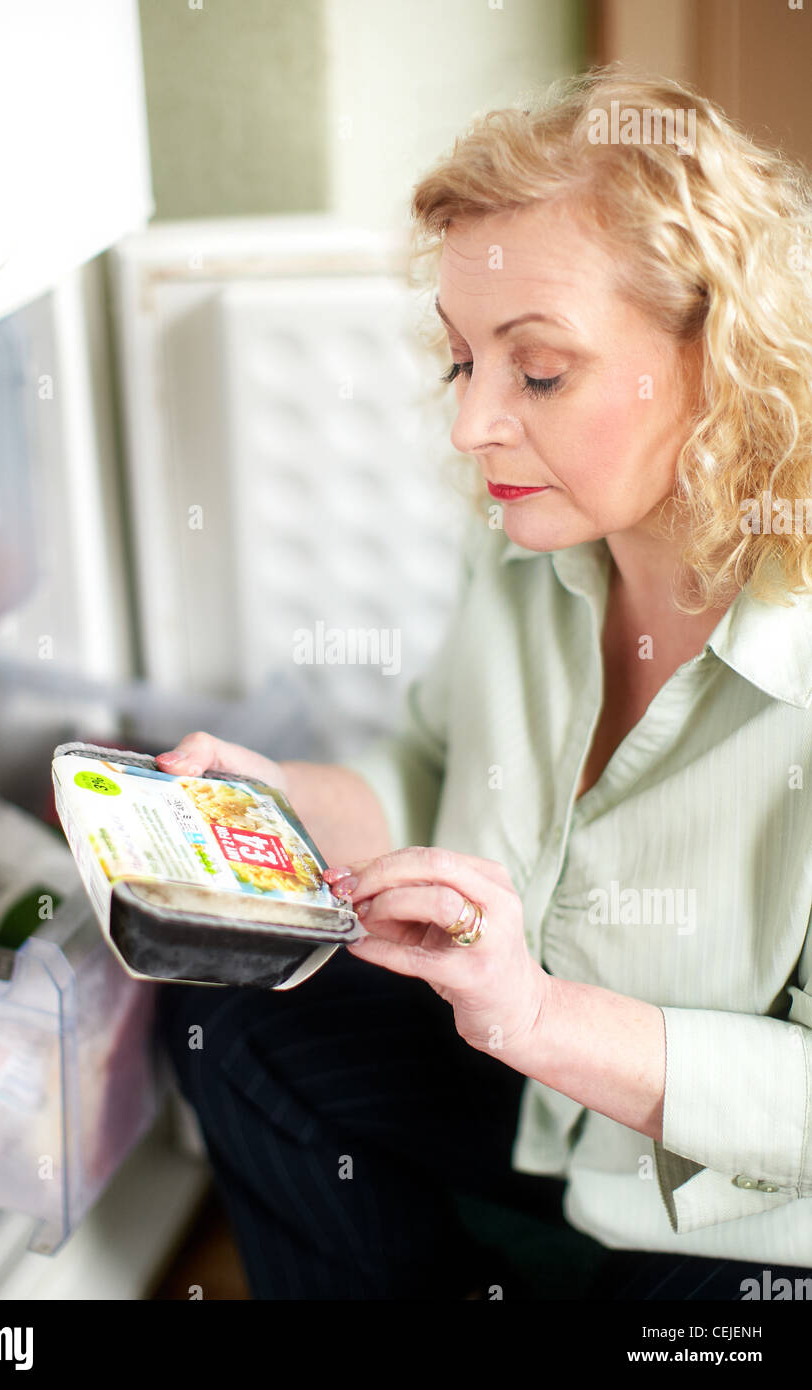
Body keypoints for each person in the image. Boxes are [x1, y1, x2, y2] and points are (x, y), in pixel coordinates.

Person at [155, 63, 812, 1299]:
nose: (472, 426)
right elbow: (435, 772)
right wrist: (277, 800)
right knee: (237, 1025)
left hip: (746, 1220)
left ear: (724, 360)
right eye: (464, 363)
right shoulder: (533, 562)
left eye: (540, 372)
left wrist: (533, 1015)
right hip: (543, 1097)